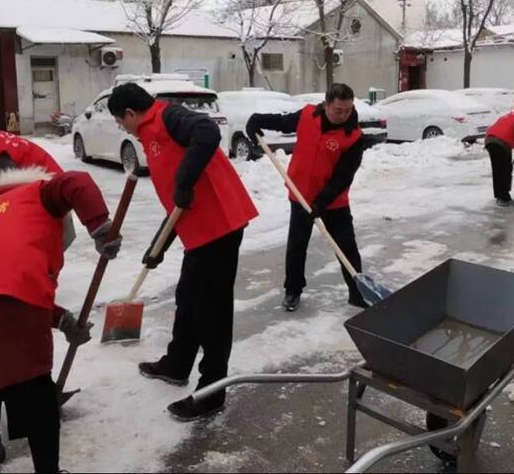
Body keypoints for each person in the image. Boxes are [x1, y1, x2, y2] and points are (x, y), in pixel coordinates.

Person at [0, 169, 122, 473]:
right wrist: (100, 226)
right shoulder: (39, 193)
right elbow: (77, 181)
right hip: (9, 294)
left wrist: (62, 320)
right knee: (35, 389)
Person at [107, 83, 258, 421]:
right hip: (198, 230)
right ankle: (177, 363)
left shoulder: (169, 116)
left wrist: (186, 181)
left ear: (130, 113)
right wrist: (159, 245)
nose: (122, 127)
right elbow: (179, 202)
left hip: (220, 225)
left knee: (212, 312)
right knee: (188, 298)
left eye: (120, 121)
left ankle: (211, 392)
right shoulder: (150, 132)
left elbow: (207, 132)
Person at [246, 83, 368, 312]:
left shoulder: (353, 137)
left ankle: (358, 292)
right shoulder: (307, 115)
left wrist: (322, 202)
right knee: (296, 246)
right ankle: (293, 290)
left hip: (333, 202)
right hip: (300, 195)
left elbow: (343, 176)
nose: (343, 115)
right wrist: (256, 120)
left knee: (346, 246)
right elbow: (281, 123)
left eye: (348, 110)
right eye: (338, 110)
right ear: (326, 105)